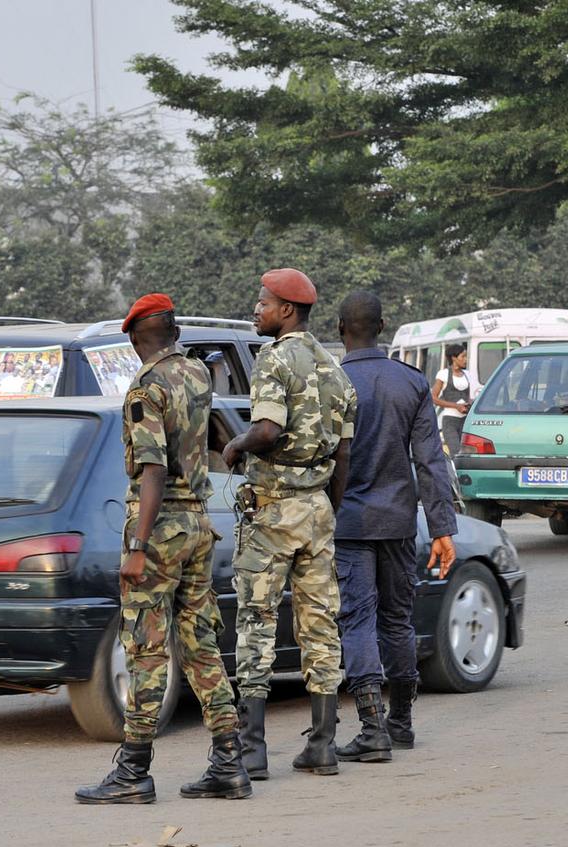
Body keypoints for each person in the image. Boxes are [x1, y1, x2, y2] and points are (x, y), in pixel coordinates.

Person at [76, 293, 251, 805]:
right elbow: (218, 439)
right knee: (201, 647)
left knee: (147, 648)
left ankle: (134, 770)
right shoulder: (197, 375)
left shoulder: (145, 388)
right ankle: (228, 762)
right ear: (173, 332)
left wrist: (138, 545)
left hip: (160, 529)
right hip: (198, 523)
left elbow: (152, 468)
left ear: (135, 338)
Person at [222, 268, 357, 779]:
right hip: (318, 510)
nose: (255, 310)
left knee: (256, 622)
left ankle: (252, 751)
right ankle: (323, 745)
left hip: (274, 508)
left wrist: (235, 445)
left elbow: (268, 428)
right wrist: (330, 509)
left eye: (262, 303)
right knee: (320, 624)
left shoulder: (274, 359)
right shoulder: (335, 367)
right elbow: (344, 453)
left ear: (286, 311)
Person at [333, 292, 458, 760]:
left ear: (341, 326)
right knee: (397, 620)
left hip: (348, 523)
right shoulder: (412, 383)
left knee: (358, 619)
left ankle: (371, 730)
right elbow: (430, 461)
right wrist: (442, 528)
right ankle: (400, 721)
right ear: (382, 327)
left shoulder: (334, 383)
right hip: (400, 521)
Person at [432, 344, 475, 456]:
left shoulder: (467, 374)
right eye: (463, 356)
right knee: (455, 452)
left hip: (465, 420)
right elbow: (434, 398)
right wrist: (456, 406)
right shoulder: (444, 374)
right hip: (450, 420)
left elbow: (468, 396)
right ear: (454, 358)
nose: (465, 359)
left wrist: (470, 403)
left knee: (466, 453)